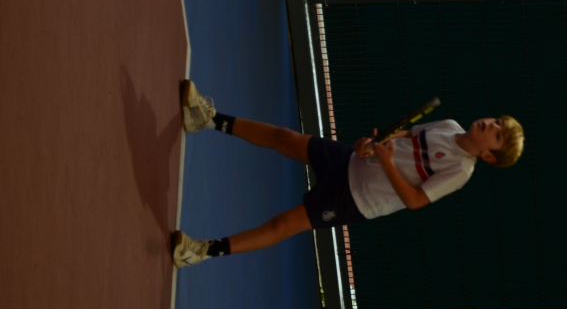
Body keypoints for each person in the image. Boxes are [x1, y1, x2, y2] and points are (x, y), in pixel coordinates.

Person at [170, 80, 524, 268]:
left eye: (496, 134)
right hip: (352, 160)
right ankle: (207, 120)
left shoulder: (460, 170)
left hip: (356, 198)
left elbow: (415, 200)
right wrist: (372, 143)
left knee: (283, 223)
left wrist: (386, 161)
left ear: (488, 156)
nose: (490, 124)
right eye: (496, 122)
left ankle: (200, 252)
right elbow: (405, 135)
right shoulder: (449, 125)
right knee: (284, 137)